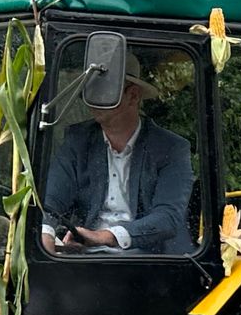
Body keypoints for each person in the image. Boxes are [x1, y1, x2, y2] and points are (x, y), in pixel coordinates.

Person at [41, 53, 194, 254]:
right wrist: (45, 235)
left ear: (133, 95)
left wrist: (104, 237)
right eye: (90, 90)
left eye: (104, 91)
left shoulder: (171, 148)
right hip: (86, 262)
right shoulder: (77, 141)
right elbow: (50, 202)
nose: (93, 99)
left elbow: (168, 217)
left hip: (152, 262)